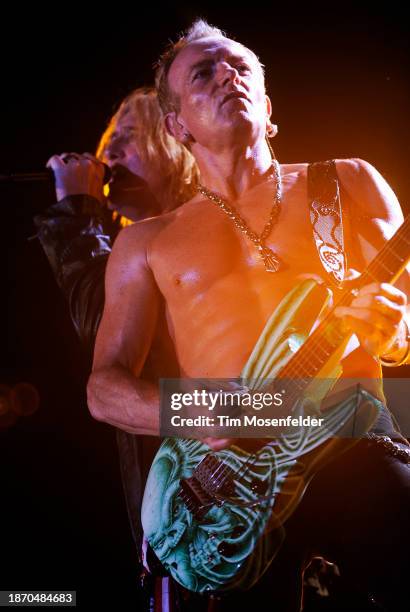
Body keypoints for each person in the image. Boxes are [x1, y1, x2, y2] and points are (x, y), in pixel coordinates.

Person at [88, 21, 410, 611]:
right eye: (203, 73)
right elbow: (104, 390)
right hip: (226, 488)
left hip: (350, 441)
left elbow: (405, 320)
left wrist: (397, 331)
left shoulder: (345, 182)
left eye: (240, 67)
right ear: (177, 125)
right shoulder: (150, 243)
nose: (226, 76)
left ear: (266, 103)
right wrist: (198, 408)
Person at [34, 86, 199, 584]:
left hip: (238, 479)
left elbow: (97, 312)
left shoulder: (198, 231)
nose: (107, 155)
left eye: (126, 138)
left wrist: (77, 211)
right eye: (107, 143)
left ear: (172, 139)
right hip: (180, 519)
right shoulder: (129, 248)